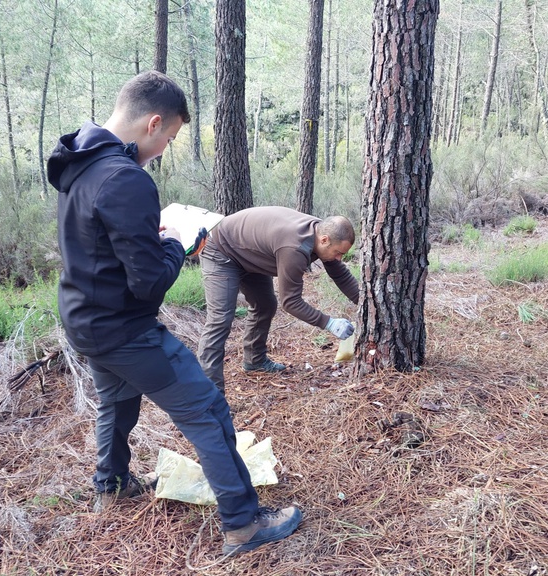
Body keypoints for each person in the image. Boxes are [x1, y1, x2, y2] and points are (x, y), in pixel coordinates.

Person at [47, 70, 301, 556]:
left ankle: (111, 485)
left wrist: (149, 242)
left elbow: (103, 250)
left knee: (118, 403)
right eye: (170, 137)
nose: (165, 147)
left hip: (83, 318)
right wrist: (177, 245)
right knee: (206, 409)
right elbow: (148, 284)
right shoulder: (126, 179)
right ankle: (243, 524)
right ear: (154, 123)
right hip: (124, 330)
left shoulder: (80, 160)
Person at [197, 206, 359, 393]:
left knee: (265, 305)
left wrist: (367, 304)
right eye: (338, 253)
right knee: (220, 320)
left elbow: (341, 276)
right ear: (324, 240)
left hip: (247, 253)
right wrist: (329, 323)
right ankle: (209, 399)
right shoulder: (294, 248)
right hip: (220, 250)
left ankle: (254, 361)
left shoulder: (321, 232)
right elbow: (290, 302)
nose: (339, 258)